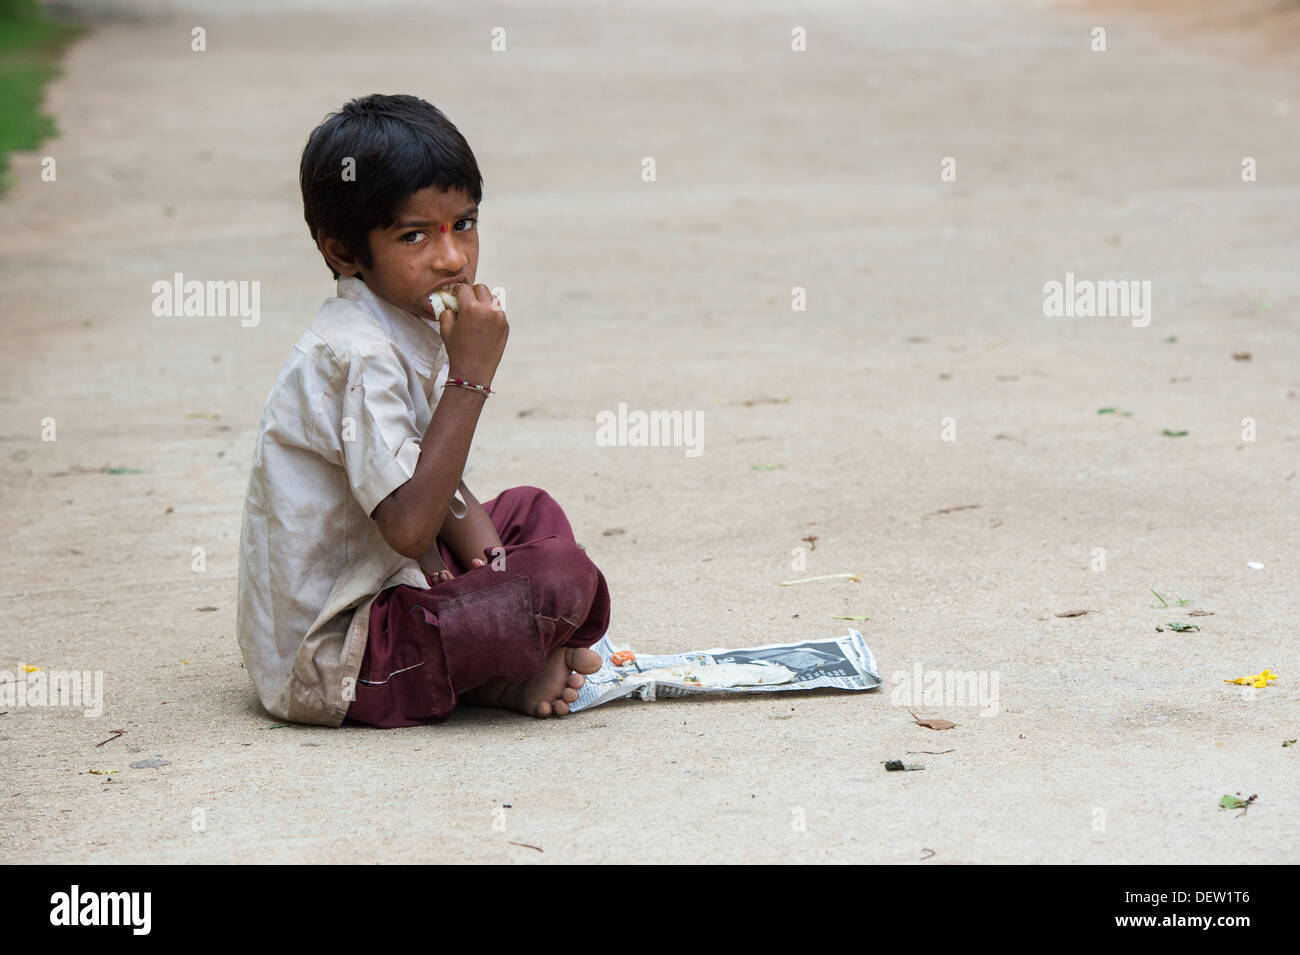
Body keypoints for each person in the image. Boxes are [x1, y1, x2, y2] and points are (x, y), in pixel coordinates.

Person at [235, 94, 609, 728]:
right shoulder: (358, 355)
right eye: (415, 236)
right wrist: (471, 378)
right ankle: (516, 663)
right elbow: (410, 528)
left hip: (398, 586)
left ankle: (510, 665)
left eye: (464, 223)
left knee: (530, 510)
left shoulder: (402, 321)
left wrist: (493, 574)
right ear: (344, 252)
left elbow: (436, 478)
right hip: (342, 657)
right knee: (558, 576)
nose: (452, 258)